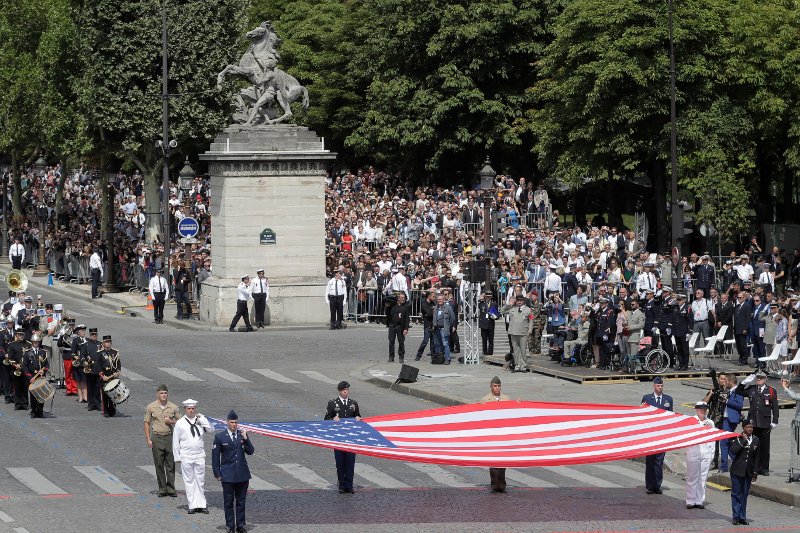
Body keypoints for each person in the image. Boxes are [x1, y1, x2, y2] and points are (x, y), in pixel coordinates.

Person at [212, 410, 255, 533]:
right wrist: (217, 473)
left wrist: (246, 438)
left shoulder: (242, 436)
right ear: (227, 422)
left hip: (242, 475)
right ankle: (230, 526)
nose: (234, 425)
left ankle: (240, 525)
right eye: (232, 422)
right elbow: (215, 457)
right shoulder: (220, 437)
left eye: (236, 422)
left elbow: (251, 451)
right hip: (228, 475)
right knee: (228, 502)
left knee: (241, 502)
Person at [173, 399, 212, 515]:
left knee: (200, 480)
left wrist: (203, 419)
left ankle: (201, 504)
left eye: (193, 408)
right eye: (189, 409)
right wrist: (177, 457)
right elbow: (176, 441)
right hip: (186, 455)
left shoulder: (200, 420)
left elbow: (211, 430)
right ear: (185, 409)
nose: (191, 410)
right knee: (189, 480)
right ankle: (192, 504)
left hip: (199, 455)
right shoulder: (180, 423)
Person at [735, 371, 778, 475]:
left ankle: (765, 468)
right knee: (754, 446)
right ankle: (755, 467)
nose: (759, 379)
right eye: (757, 377)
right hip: (753, 423)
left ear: (765, 379)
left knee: (765, 447)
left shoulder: (771, 390)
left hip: (765, 422)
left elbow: (775, 407)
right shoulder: (752, 389)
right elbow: (738, 391)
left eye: (761, 378)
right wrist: (745, 381)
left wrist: (775, 421)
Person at [324, 381, 361, 493]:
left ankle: (349, 485)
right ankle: (341, 484)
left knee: (350, 462)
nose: (346, 391)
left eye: (347, 390)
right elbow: (326, 419)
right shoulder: (332, 403)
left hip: (350, 437)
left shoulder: (353, 403)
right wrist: (333, 419)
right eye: (344, 390)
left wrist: (358, 418)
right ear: (340, 391)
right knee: (340, 462)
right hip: (338, 438)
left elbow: (358, 415)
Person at [143, 384, 180, 498]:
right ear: (157, 394)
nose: (164, 395)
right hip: (157, 437)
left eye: (165, 393)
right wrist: (148, 439)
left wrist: (172, 421)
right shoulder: (151, 407)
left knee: (170, 464)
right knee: (159, 464)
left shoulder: (173, 407)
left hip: (169, 437)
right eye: (161, 393)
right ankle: (162, 488)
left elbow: (182, 421)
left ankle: (171, 488)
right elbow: (147, 423)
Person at [641, 377, 673, 494]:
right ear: (654, 386)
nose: (660, 387)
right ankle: (650, 485)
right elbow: (642, 415)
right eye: (658, 386)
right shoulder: (647, 398)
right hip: (650, 434)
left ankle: (657, 485)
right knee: (650, 461)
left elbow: (670, 416)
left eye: (661, 386)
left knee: (659, 461)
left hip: (662, 434)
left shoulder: (668, 399)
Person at [480, 376, 510, 493]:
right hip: (491, 434)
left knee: (502, 461)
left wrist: (518, 403)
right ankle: (494, 485)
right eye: (495, 386)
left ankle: (502, 485)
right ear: (491, 387)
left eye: (499, 386)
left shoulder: (506, 399)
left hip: (502, 434)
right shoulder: (485, 400)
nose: (497, 388)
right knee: (493, 461)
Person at [685, 401, 715, 509]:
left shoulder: (710, 423)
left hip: (705, 452)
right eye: (701, 409)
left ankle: (699, 500)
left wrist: (711, 454)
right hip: (693, 451)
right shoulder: (691, 421)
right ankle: (690, 500)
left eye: (705, 409)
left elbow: (713, 439)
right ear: (696, 410)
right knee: (692, 477)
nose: (703, 411)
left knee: (702, 478)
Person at [729, 419, 759, 525]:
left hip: (748, 472)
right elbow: (733, 451)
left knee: (744, 495)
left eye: (751, 427)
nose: (750, 429)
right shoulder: (737, 438)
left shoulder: (756, 439)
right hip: (737, 471)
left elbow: (756, 457)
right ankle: (736, 516)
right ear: (743, 428)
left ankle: (742, 517)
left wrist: (755, 472)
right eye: (747, 427)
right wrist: (743, 441)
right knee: (736, 494)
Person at [719, 374, 744, 473]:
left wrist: (727, 401)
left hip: (730, 419)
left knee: (724, 442)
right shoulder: (729, 391)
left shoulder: (738, 391)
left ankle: (724, 466)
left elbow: (740, 405)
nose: (725, 382)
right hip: (725, 418)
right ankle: (738, 461)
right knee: (728, 442)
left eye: (726, 380)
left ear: (731, 381)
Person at [22, 332, 48, 418]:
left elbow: (47, 365)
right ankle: (33, 411)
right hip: (32, 377)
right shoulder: (27, 352)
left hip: (40, 377)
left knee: (41, 394)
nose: (36, 343)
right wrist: (29, 377)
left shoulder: (43, 352)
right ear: (32, 342)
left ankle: (40, 411)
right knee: (33, 395)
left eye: (37, 341)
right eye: (34, 341)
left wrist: (43, 372)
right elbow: (25, 366)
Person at [781, 377, 800, 482]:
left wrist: (785, 387)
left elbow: (794, 397)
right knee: (798, 448)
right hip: (798, 424)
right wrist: (789, 387)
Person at [98, 335, 121, 418]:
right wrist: (102, 375)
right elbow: (98, 366)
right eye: (106, 342)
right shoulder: (100, 353)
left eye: (109, 342)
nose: (108, 344)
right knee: (105, 395)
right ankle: (106, 411)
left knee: (113, 395)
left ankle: (112, 410)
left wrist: (117, 372)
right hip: (105, 377)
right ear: (103, 343)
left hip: (113, 377)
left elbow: (118, 365)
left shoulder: (115, 352)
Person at [82, 327, 102, 412]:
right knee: (90, 388)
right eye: (92, 334)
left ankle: (98, 404)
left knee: (97, 388)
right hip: (89, 369)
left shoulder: (100, 344)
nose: (94, 336)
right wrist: (84, 362)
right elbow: (82, 356)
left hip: (98, 369)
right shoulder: (86, 344)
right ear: (90, 335)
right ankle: (90, 404)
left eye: (95, 334)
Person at [386, 292, 410, 363]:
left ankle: (401, 356)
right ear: (398, 298)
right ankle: (391, 356)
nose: (403, 299)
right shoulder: (392, 306)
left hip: (400, 326)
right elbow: (385, 299)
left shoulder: (405, 307)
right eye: (402, 298)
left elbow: (407, 319)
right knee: (391, 342)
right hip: (392, 325)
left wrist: (406, 328)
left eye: (404, 298)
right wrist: (394, 297)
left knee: (401, 342)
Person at [70, 324, 88, 404]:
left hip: (85, 364)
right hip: (78, 363)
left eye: (84, 331)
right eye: (81, 331)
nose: (83, 332)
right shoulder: (75, 340)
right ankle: (80, 397)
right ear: (78, 332)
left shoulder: (87, 340)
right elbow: (72, 352)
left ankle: (86, 397)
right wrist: (75, 357)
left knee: (85, 381)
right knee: (78, 381)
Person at [415, 290, 436, 361]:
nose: (434, 298)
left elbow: (434, 311)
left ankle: (433, 356)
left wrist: (433, 310)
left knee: (433, 342)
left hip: (434, 324)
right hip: (428, 325)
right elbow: (429, 313)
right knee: (425, 341)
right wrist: (432, 311)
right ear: (428, 296)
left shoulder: (433, 303)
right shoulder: (424, 303)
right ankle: (418, 355)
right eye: (433, 296)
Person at [478, 291, 497, 356]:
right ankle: (485, 353)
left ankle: (490, 353)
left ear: (491, 296)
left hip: (490, 323)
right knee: (484, 340)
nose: (488, 298)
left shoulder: (494, 303)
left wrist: (495, 316)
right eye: (487, 296)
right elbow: (475, 306)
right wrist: (480, 299)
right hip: (483, 324)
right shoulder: (481, 303)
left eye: (489, 296)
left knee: (491, 340)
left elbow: (497, 313)